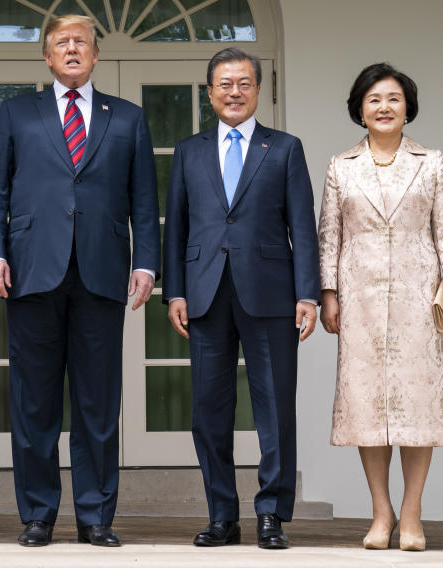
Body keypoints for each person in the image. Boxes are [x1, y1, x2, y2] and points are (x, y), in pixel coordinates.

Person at [0, 15, 160, 548]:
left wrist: (146, 263)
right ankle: (37, 514)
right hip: (32, 269)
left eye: (81, 41)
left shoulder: (126, 118)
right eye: (62, 42)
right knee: (34, 401)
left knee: (98, 402)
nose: (72, 49)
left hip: (102, 272)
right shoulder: (16, 113)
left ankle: (96, 516)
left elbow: (144, 199)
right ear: (47, 57)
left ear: (96, 55)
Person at [162, 47, 320, 550]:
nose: (234, 91)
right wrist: (175, 291)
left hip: (272, 293)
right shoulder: (188, 151)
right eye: (225, 84)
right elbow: (176, 228)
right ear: (209, 93)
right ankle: (222, 514)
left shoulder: (286, 148)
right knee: (208, 410)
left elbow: (303, 227)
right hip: (205, 293)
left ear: (257, 89)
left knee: (274, 406)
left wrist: (308, 294)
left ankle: (272, 512)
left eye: (244, 83)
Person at [318, 62, 443, 551]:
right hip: (358, 296)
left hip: (419, 296)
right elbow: (328, 237)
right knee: (368, 405)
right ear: (359, 111)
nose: (384, 107)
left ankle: (412, 513)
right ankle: (380, 512)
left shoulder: (432, 162)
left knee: (419, 405)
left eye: (393, 99)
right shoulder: (341, 166)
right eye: (374, 100)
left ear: (408, 108)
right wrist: (329, 294)